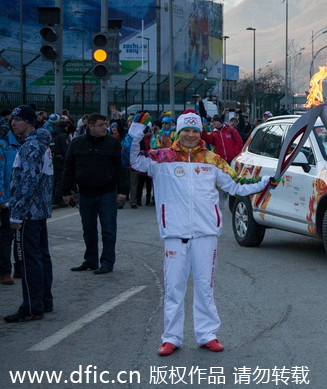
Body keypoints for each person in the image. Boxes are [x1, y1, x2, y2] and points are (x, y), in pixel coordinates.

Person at [125, 111, 273, 356]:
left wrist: (267, 181)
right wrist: (135, 131)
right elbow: (130, 160)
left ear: (200, 132)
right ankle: (171, 337)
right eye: (186, 131)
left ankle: (207, 335)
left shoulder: (212, 160)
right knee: (174, 287)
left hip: (205, 234)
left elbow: (237, 184)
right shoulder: (162, 158)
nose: (191, 135)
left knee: (205, 286)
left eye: (195, 131)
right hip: (174, 233)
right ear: (178, 132)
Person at [3, 105, 54, 322]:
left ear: (30, 122)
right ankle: (44, 300)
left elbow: (28, 181)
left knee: (28, 259)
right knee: (41, 256)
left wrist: (18, 212)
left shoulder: (30, 147)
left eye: (18, 120)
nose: (13, 123)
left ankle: (32, 307)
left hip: (28, 213)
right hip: (38, 210)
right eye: (12, 120)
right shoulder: (39, 144)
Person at [62, 113, 129, 274]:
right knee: (88, 229)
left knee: (108, 229)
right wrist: (65, 191)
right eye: (101, 125)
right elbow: (68, 168)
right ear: (90, 126)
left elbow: (121, 168)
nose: (105, 128)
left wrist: (123, 190)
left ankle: (107, 262)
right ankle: (90, 260)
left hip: (106, 192)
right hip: (85, 193)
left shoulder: (112, 143)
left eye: (106, 124)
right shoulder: (77, 143)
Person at [0, 116, 23, 285]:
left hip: (22, 199)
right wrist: (2, 198)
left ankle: (20, 268)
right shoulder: (4, 144)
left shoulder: (28, 143)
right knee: (7, 236)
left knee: (21, 236)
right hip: (7, 200)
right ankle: (4, 271)